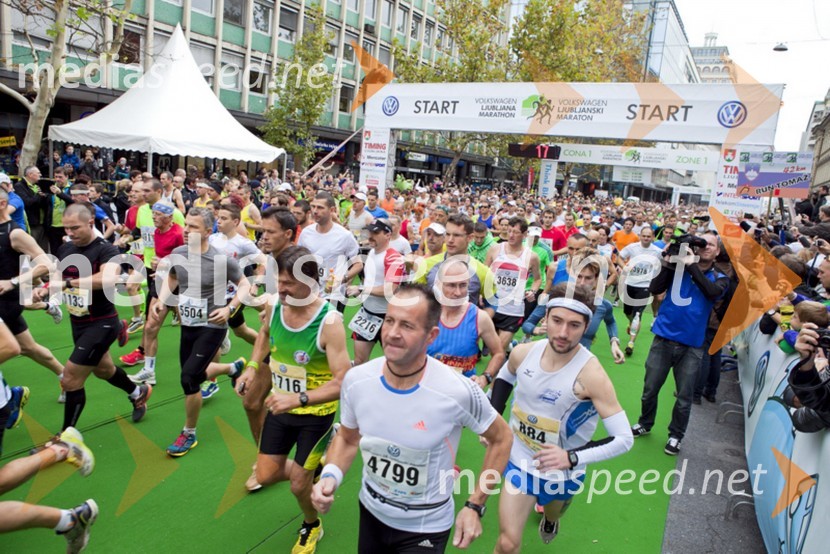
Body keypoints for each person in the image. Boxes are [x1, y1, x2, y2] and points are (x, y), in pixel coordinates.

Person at [311, 284, 512, 553]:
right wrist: (331, 476)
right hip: (371, 511)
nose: (392, 334)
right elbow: (348, 439)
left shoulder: (457, 391)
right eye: (390, 321)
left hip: (426, 525)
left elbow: (502, 438)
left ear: (431, 336)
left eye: (407, 326)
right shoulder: (357, 380)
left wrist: (475, 504)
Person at [489, 283, 633, 552]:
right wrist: (495, 419)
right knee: (507, 543)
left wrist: (571, 458)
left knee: (553, 511)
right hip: (520, 459)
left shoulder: (592, 375)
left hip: (563, 472)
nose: (564, 333)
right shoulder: (524, 352)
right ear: (546, 317)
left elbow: (624, 439)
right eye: (557, 321)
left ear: (586, 326)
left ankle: (551, 519)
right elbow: (506, 376)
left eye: (575, 325)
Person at [237, 246, 350, 552]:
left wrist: (299, 399)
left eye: (289, 282)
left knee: (299, 485)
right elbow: (263, 334)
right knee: (265, 474)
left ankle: (311, 524)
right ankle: (316, 466)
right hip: (281, 406)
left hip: (316, 413)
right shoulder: (275, 305)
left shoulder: (330, 323)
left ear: (311, 281)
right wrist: (250, 367)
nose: (281, 288)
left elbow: (342, 382)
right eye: (279, 280)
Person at [33, 203, 150, 431]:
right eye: (66, 228)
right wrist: (45, 288)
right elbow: (57, 277)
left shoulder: (106, 249)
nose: (69, 233)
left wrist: (68, 282)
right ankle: (138, 392)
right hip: (78, 323)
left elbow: (106, 280)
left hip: (102, 323)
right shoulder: (65, 249)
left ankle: (67, 437)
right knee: (103, 370)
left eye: (75, 227)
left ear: (90, 223)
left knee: (70, 379)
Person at [155, 207, 250, 456]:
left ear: (209, 231)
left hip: (213, 325)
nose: (186, 231)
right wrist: (161, 299)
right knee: (193, 372)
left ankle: (189, 433)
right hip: (189, 324)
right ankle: (231, 368)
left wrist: (230, 309)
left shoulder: (221, 260)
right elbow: (173, 278)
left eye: (193, 227)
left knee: (189, 378)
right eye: (186, 225)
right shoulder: (178, 253)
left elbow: (245, 284)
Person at [631, 232, 730, 455]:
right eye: (701, 243)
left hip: (692, 345)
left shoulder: (720, 277)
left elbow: (711, 291)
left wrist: (690, 265)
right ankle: (645, 423)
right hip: (663, 338)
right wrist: (668, 262)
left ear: (717, 252)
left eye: (710, 245)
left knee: (684, 397)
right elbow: (655, 289)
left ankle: (676, 435)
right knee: (649, 389)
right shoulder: (677, 268)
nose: (704, 247)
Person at [0, 190, 66, 401]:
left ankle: (10, 400)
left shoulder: (15, 233)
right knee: (29, 348)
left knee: (16, 348)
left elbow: (47, 264)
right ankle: (66, 377)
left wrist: (14, 282)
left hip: (6, 302)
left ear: (2, 203)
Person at [126, 201, 185, 385]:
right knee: (151, 326)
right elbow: (161, 259)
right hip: (160, 281)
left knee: (191, 328)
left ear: (169, 217)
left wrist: (165, 263)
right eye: (153, 214)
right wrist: (157, 264)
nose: (154, 217)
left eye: (158, 214)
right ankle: (149, 370)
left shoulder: (179, 234)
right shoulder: (156, 232)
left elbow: (186, 262)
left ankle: (218, 341)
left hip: (182, 283)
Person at [428, 259, 505, 386]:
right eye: (451, 285)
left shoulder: (480, 318)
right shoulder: (425, 313)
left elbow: (498, 353)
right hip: (428, 388)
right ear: (438, 284)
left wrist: (485, 378)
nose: (458, 292)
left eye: (463, 285)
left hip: (463, 392)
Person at [347, 219, 405, 366]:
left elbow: (389, 289)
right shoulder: (372, 252)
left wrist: (361, 289)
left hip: (389, 317)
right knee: (359, 360)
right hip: (367, 314)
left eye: (376, 232)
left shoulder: (393, 257)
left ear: (388, 235)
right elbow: (371, 281)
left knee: (393, 363)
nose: (371, 236)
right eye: (370, 232)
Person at [298, 192, 363, 312]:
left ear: (332, 210)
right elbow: (299, 260)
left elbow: (358, 264)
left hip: (333, 295)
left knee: (330, 329)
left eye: (320, 207)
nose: (315, 211)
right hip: (310, 293)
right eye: (313, 207)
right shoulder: (306, 233)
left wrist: (341, 279)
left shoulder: (345, 235)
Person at [485, 217, 541, 350]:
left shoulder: (531, 257)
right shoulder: (495, 249)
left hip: (513, 310)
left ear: (525, 234)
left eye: (515, 232)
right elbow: (484, 272)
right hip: (492, 305)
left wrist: (532, 291)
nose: (511, 235)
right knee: (493, 345)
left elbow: (538, 279)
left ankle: (505, 352)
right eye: (509, 231)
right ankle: (511, 347)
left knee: (497, 350)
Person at [617, 227, 663, 356]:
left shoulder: (657, 251)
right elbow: (619, 258)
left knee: (638, 314)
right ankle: (631, 322)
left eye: (649, 236)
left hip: (645, 286)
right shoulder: (632, 247)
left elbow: (665, 264)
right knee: (628, 312)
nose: (646, 238)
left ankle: (631, 343)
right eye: (644, 236)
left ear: (653, 237)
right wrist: (625, 267)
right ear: (640, 236)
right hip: (629, 283)